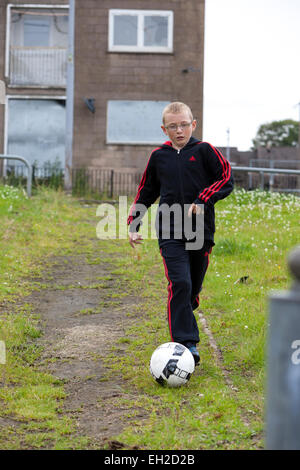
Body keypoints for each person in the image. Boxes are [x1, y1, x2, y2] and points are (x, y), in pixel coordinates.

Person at [127, 102, 234, 364]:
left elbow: (226, 178)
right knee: (180, 284)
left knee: (192, 287)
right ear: (164, 129)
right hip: (169, 229)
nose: (179, 130)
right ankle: (187, 344)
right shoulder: (158, 157)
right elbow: (146, 191)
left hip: (201, 231)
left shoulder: (205, 151)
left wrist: (203, 198)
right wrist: (133, 223)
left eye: (184, 124)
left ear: (193, 124)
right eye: (173, 126)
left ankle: (187, 304)